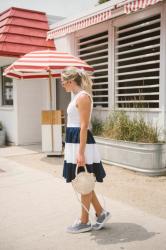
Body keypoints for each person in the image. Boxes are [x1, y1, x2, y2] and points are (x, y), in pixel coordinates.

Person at [61, 66, 111, 234]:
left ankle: (84, 221)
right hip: (74, 141)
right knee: (83, 180)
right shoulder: (76, 96)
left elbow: (83, 126)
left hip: (81, 143)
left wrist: (80, 152)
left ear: (69, 81)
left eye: (63, 82)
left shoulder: (83, 97)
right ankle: (101, 213)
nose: (62, 85)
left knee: (83, 179)